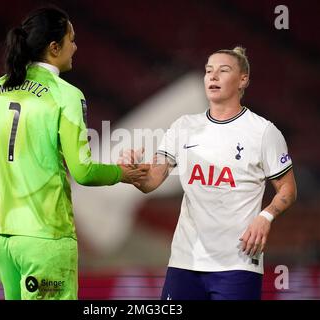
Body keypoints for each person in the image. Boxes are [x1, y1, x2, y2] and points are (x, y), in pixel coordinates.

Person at [0, 7, 148, 300]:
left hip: (1, 240)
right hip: (45, 238)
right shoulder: (65, 95)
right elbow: (83, 172)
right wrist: (123, 174)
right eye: (71, 39)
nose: (76, 47)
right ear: (54, 47)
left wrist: (9, 168)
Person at [121, 47, 297, 300]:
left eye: (223, 70)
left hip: (237, 263)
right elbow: (151, 181)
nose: (213, 76)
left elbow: (288, 189)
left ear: (243, 79)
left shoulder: (264, 132)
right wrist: (133, 171)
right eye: (208, 71)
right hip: (185, 262)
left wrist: (265, 217)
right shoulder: (183, 127)